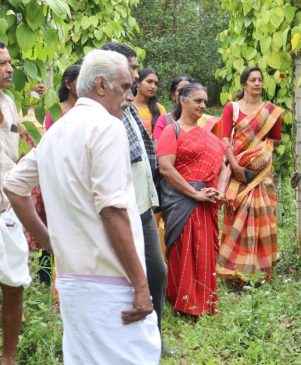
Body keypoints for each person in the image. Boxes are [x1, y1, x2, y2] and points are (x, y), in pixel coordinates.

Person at [4, 49, 161, 364]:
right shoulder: (106, 127)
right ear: (101, 85)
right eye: (125, 87)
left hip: (74, 282)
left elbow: (13, 185)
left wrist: (51, 242)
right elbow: (112, 210)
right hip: (113, 283)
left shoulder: (57, 131)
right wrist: (142, 285)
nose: (130, 96)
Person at [101, 42, 167, 339]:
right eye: (132, 66)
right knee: (124, 278)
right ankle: (125, 339)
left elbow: (143, 154)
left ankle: (154, 335)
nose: (138, 75)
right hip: (121, 208)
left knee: (156, 271)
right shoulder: (105, 112)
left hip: (143, 203)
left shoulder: (127, 108)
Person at [157, 83, 227, 317]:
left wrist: (221, 191)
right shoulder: (171, 131)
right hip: (181, 202)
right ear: (182, 101)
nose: (203, 106)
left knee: (205, 251)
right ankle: (183, 303)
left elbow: (224, 167)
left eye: (204, 101)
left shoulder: (208, 135)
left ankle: (204, 302)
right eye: (197, 101)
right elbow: (166, 168)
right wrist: (194, 193)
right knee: (183, 250)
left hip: (206, 202)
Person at [216, 66, 284, 285]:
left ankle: (261, 271)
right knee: (237, 218)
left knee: (263, 217)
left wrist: (258, 159)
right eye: (252, 80)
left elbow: (272, 142)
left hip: (261, 175)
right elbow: (224, 140)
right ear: (244, 84)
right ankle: (234, 271)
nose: (257, 83)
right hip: (238, 174)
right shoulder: (232, 109)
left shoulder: (270, 111)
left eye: (260, 79)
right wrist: (236, 165)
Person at [0, 41, 33, 365]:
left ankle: (7, 358)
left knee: (14, 283)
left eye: (9, 62)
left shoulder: (9, 103)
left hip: (5, 208)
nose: (10, 69)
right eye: (1, 64)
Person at [44, 64, 81, 130]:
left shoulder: (88, 110)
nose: (85, 86)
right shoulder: (55, 113)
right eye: (80, 82)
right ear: (67, 84)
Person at [133, 67, 166, 136]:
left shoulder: (160, 109)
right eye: (149, 82)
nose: (153, 86)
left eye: (156, 84)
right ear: (138, 83)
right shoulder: (128, 107)